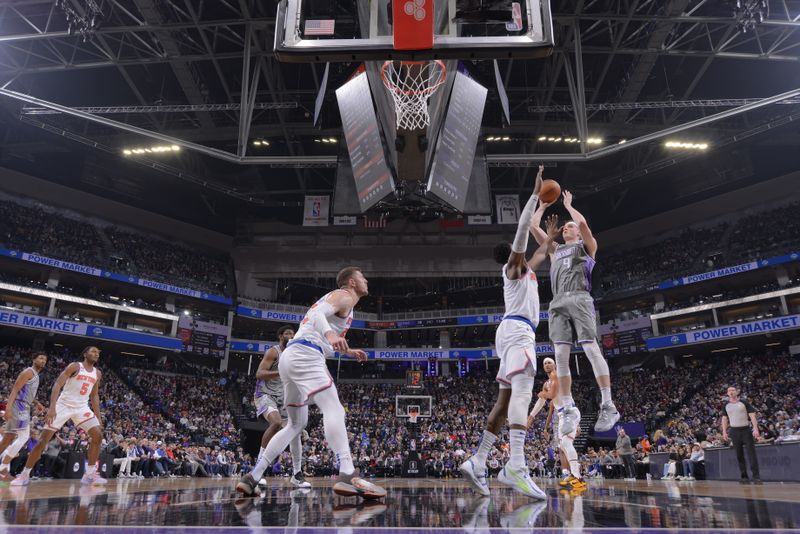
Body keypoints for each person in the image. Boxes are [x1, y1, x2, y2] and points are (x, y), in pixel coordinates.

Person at [236, 267, 385, 500]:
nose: (366, 280)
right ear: (352, 282)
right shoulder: (343, 295)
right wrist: (330, 336)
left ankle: (253, 476)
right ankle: (347, 472)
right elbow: (316, 315)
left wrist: (346, 349)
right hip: (306, 354)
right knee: (334, 408)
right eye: (362, 277)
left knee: (296, 424)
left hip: (292, 358)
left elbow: (319, 329)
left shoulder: (343, 303)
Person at [460, 166, 551, 500]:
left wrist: (549, 234)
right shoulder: (512, 270)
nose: (526, 255)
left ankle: (478, 460)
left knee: (504, 403)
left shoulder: (526, 272)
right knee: (524, 393)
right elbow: (522, 240)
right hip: (517, 332)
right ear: (513, 257)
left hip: (512, 333)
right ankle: (515, 465)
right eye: (521, 253)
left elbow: (541, 253)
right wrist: (532, 196)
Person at [530, 189, 619, 436]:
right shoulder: (555, 249)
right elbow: (532, 225)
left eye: (570, 226)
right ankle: (568, 408)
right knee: (560, 356)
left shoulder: (586, 247)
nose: (567, 227)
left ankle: (608, 404)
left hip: (580, 297)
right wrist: (541, 205)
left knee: (591, 348)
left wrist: (569, 205)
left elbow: (582, 224)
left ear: (577, 233)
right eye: (565, 227)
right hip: (557, 301)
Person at [11, 346, 106, 486]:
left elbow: (94, 395)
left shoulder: (97, 373)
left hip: (81, 407)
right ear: (85, 354)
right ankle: (24, 475)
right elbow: (57, 384)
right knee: (43, 440)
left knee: (98, 435)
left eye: (98, 353)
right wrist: (52, 407)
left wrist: (98, 416)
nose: (96, 354)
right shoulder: (75, 366)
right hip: (63, 405)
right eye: (93, 351)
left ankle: (90, 474)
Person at [252, 325, 309, 488]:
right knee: (276, 423)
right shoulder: (273, 352)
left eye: (293, 333)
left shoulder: (296, 356)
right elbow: (259, 374)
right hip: (265, 394)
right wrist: (280, 372)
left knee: (296, 431)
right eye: (287, 333)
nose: (291, 335)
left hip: (283, 398)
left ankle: (297, 475)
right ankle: (258, 468)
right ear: (280, 336)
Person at [529, 357, 586, 492]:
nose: (547, 364)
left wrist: (543, 394)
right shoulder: (546, 383)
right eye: (544, 363)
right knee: (563, 447)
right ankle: (572, 476)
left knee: (566, 445)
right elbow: (544, 403)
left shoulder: (557, 376)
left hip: (569, 412)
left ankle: (577, 477)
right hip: (561, 416)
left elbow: (550, 394)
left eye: (549, 362)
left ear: (554, 365)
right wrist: (532, 415)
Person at [0, 351, 47, 479]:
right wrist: (8, 408)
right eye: (41, 358)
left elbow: (27, 393)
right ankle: (3, 467)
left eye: (45, 360)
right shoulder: (28, 372)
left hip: (24, 405)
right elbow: (15, 389)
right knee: (23, 436)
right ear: (34, 359)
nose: (43, 361)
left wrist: (36, 402)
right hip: (19, 406)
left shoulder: (36, 375)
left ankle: (3, 468)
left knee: (7, 439)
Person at [721, 386, 762, 484]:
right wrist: (724, 431)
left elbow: (752, 415)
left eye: (733, 390)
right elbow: (724, 419)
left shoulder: (744, 402)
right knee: (739, 455)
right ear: (727, 393)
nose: (731, 392)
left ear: (736, 392)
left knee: (751, 454)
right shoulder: (726, 405)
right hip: (734, 431)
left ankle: (756, 477)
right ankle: (744, 477)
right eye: (729, 391)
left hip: (746, 430)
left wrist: (755, 428)